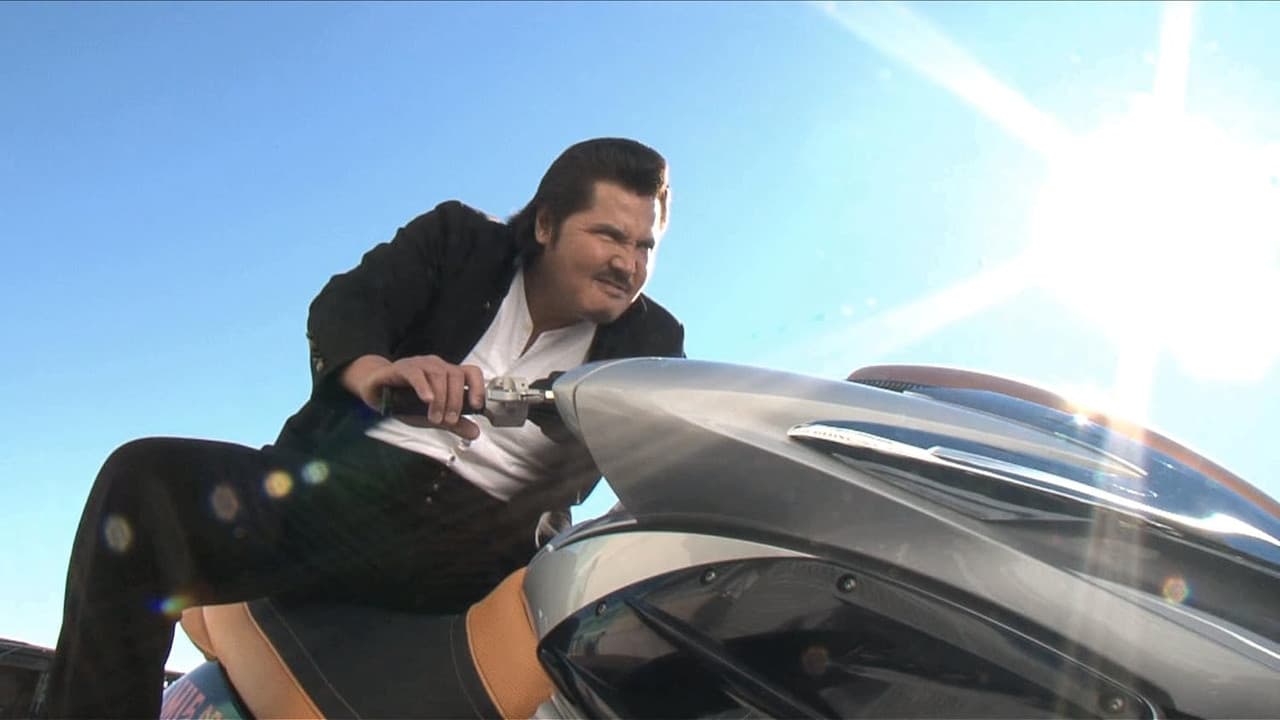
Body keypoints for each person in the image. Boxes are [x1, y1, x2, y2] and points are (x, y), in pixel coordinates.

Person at [44, 137, 685, 718]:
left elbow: (666, 461)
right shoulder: (459, 239)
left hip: (485, 544)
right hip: (349, 490)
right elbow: (347, 304)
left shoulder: (654, 343)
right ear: (545, 224)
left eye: (644, 247)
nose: (627, 264)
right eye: (609, 236)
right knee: (144, 480)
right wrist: (376, 371)